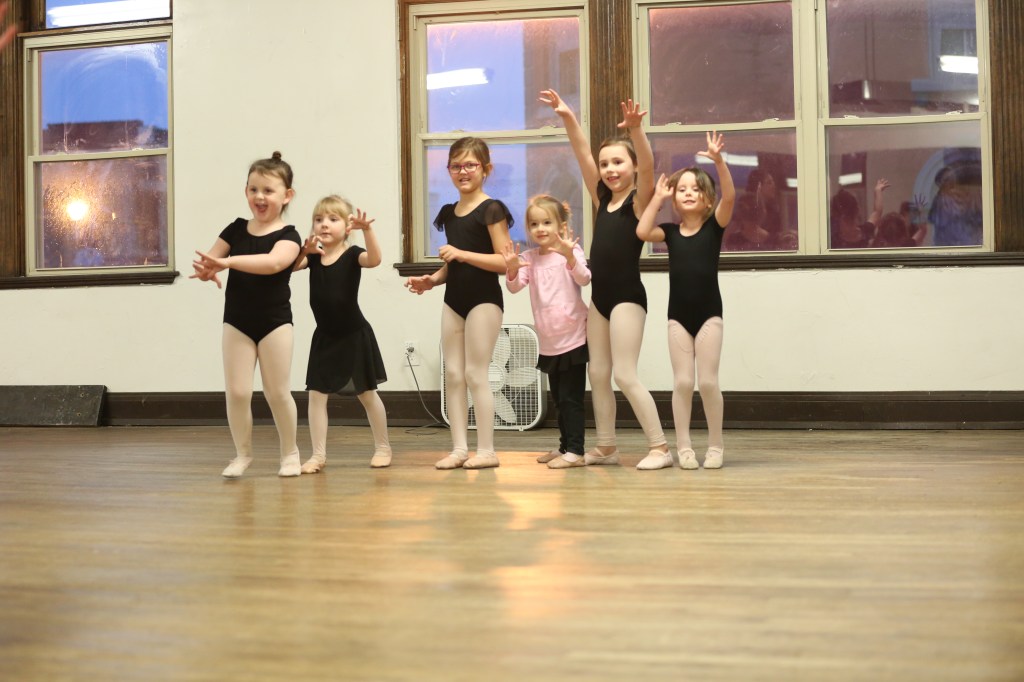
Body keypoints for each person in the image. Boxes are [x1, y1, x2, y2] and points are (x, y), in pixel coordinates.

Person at [539, 89, 670, 470]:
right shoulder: (602, 200)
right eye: (605, 164)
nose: (610, 169)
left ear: (631, 166)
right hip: (600, 299)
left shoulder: (638, 201)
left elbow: (648, 166)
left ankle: (660, 447)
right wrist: (568, 117)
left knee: (625, 374)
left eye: (618, 162)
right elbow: (582, 154)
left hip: (628, 297)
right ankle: (607, 446)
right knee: (597, 373)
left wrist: (636, 131)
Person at [191, 152, 303, 478]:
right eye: (254, 189)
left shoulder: (290, 236)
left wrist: (227, 263)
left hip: (275, 323)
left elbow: (273, 263)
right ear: (246, 192)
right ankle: (242, 454)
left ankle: (290, 453)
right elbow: (212, 259)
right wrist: (207, 270)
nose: (260, 197)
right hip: (237, 321)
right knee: (238, 392)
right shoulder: (236, 229)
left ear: (287, 196)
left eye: (268, 190)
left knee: (277, 393)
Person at [405, 137, 512, 470]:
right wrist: (432, 280)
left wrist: (462, 254)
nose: (463, 172)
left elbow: (504, 262)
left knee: (475, 373)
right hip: (454, 300)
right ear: (448, 169)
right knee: (452, 374)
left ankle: (487, 451)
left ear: (486, 169)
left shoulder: (492, 209)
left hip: (484, 301)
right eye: (456, 166)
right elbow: (453, 265)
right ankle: (459, 449)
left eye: (470, 165)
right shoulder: (449, 213)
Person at [636, 132, 735, 470]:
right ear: (675, 200)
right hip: (677, 317)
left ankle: (716, 446)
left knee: (707, 382)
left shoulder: (714, 227)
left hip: (709, 316)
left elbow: (730, 197)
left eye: (695, 189)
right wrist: (657, 198)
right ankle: (684, 447)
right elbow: (642, 231)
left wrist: (718, 162)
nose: (688, 192)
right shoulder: (670, 232)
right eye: (682, 189)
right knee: (682, 382)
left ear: (707, 199)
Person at [292, 195, 391, 473]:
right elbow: (290, 267)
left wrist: (368, 230)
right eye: (319, 219)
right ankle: (318, 455)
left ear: (348, 227)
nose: (324, 224)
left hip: (353, 335)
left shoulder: (352, 254)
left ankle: (383, 447)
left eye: (333, 219)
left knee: (367, 394)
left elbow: (374, 259)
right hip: (325, 337)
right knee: (316, 395)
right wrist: (303, 251)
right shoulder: (314, 257)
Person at [503, 195, 591, 469]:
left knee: (571, 399)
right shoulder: (529, 258)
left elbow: (585, 278)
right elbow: (514, 287)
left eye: (546, 222)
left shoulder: (571, 253)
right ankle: (565, 446)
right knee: (558, 399)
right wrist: (511, 269)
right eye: (534, 224)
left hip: (574, 337)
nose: (540, 228)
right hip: (549, 341)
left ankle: (576, 450)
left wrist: (569, 256)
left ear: (562, 226)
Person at [830, 178, 889, 249]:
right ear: (857, 211)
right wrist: (878, 190)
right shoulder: (865, 232)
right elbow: (877, 212)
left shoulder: (832, 240)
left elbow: (877, 212)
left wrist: (878, 190)